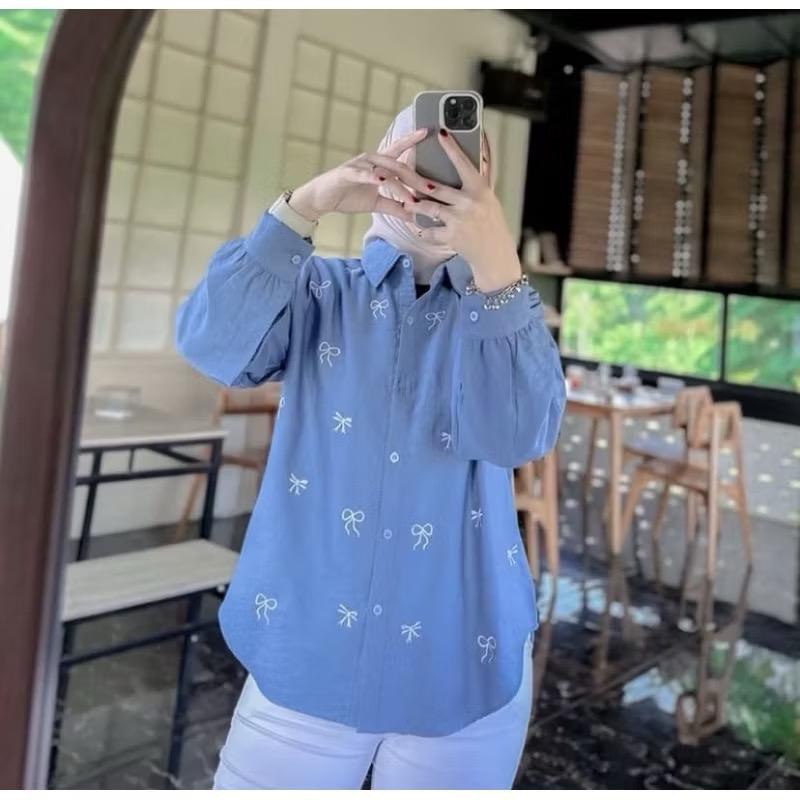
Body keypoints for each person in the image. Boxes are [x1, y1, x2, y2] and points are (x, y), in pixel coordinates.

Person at [175, 104, 566, 789]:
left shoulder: (502, 312)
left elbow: (519, 436)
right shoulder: (318, 290)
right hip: (304, 650)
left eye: (463, 162)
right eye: (421, 155)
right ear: (386, 160)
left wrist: (497, 261)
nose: (437, 177)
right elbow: (211, 345)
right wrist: (307, 205)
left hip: (464, 659)